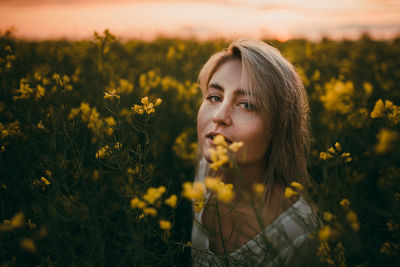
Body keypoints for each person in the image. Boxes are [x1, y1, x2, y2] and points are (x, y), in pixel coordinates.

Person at [191, 38, 318, 266]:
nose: (220, 115)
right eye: (214, 97)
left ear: (277, 127)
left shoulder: (300, 234)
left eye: (246, 104)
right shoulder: (203, 170)